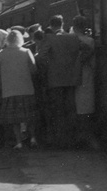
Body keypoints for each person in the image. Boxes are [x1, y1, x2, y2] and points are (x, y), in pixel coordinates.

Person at [38, 15, 92, 148]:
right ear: (62, 24)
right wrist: (78, 63)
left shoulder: (49, 38)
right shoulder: (72, 37)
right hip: (71, 79)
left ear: (51, 25)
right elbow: (88, 49)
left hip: (54, 80)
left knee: (57, 111)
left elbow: (41, 57)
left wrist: (50, 67)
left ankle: (59, 141)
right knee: (70, 109)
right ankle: (71, 140)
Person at [0, 30, 38, 149]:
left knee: (15, 120)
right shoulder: (26, 52)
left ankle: (19, 142)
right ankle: (33, 138)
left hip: (9, 91)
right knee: (30, 118)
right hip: (26, 89)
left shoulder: (0, 54)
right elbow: (34, 70)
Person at [71, 16, 97, 148]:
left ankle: (76, 137)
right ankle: (86, 137)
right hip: (86, 74)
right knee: (86, 105)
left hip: (70, 75)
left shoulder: (69, 39)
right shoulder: (90, 41)